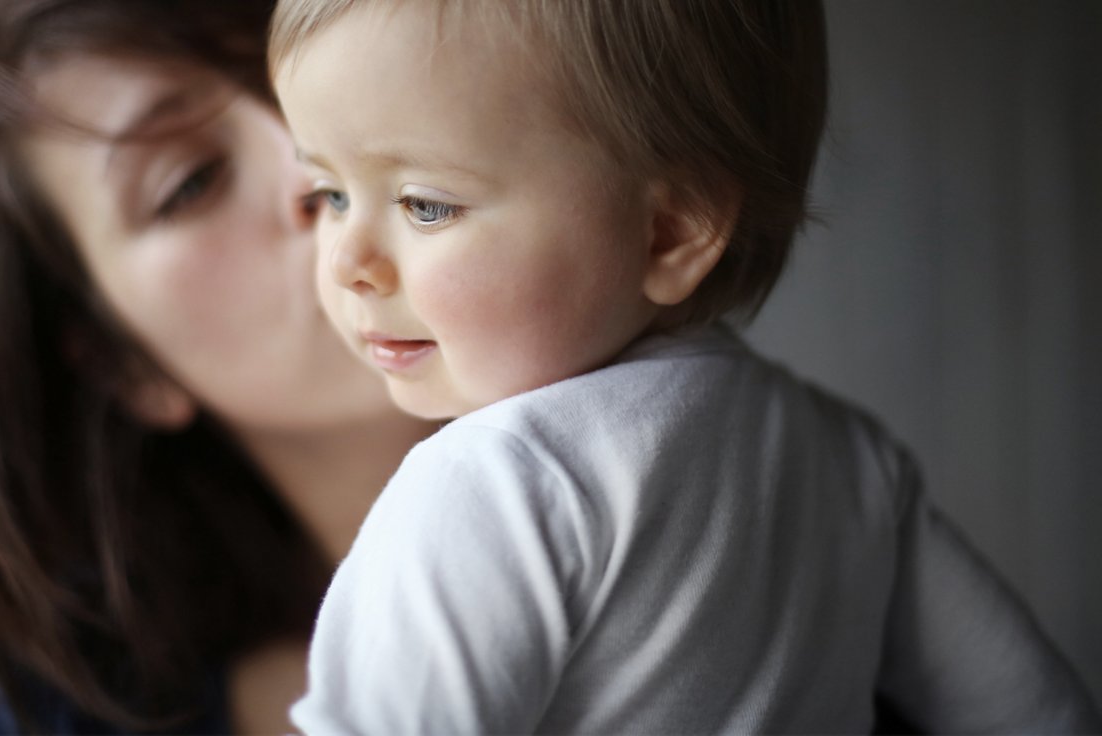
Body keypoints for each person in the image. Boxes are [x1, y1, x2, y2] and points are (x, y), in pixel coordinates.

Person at [269, 0, 1102, 733]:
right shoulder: (846, 460)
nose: (346, 261)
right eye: (329, 194)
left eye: (426, 204)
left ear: (670, 232)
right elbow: (1031, 709)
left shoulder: (493, 486)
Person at [0, 0, 437, 733]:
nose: (310, 161)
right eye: (191, 181)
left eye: (294, 74)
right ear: (122, 364)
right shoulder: (35, 710)